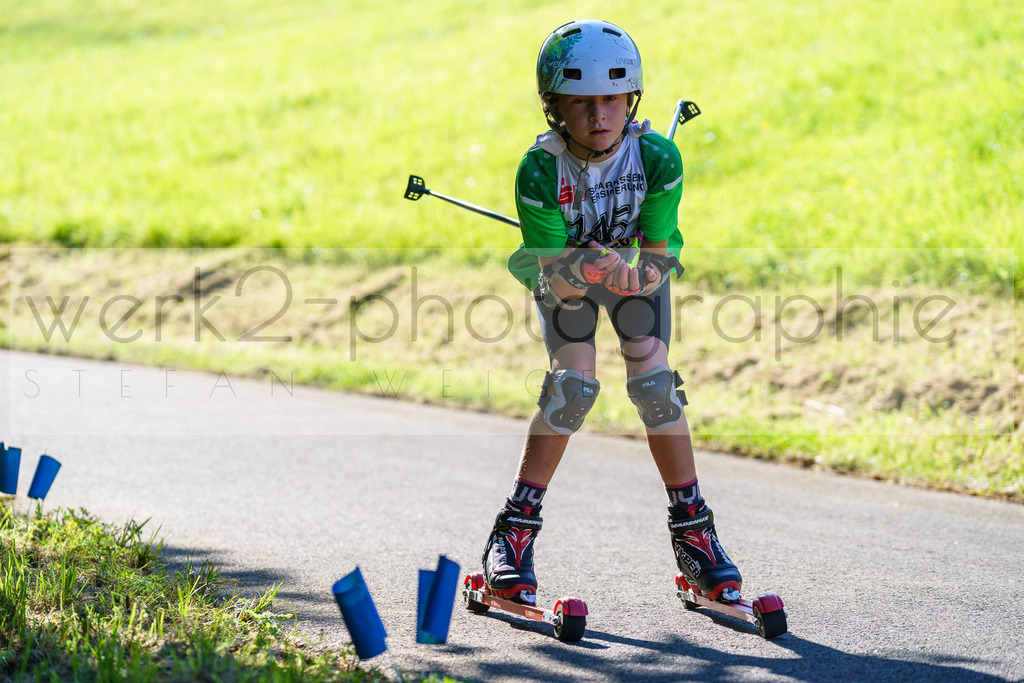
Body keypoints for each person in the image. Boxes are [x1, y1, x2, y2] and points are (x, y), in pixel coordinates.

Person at [482, 19, 742, 606]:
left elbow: (659, 253)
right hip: (566, 275)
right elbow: (562, 282)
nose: (599, 114)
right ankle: (513, 534)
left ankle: (696, 535)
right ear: (555, 108)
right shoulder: (540, 170)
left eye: (612, 98)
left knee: (655, 383)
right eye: (581, 102)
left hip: (628, 270)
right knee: (573, 386)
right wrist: (597, 269)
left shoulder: (658, 158)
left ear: (632, 99)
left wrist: (639, 274)